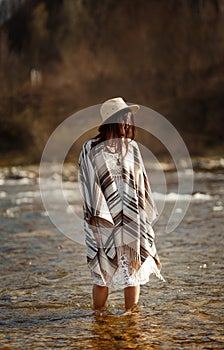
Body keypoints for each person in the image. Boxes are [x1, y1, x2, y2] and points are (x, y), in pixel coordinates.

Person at [78, 97, 164, 314]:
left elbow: (141, 183)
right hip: (102, 220)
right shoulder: (90, 148)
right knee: (102, 275)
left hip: (131, 218)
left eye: (129, 118)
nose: (129, 122)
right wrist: (100, 219)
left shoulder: (132, 147)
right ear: (113, 120)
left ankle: (130, 319)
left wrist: (142, 218)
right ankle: (99, 317)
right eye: (125, 117)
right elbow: (89, 185)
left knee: (131, 271)